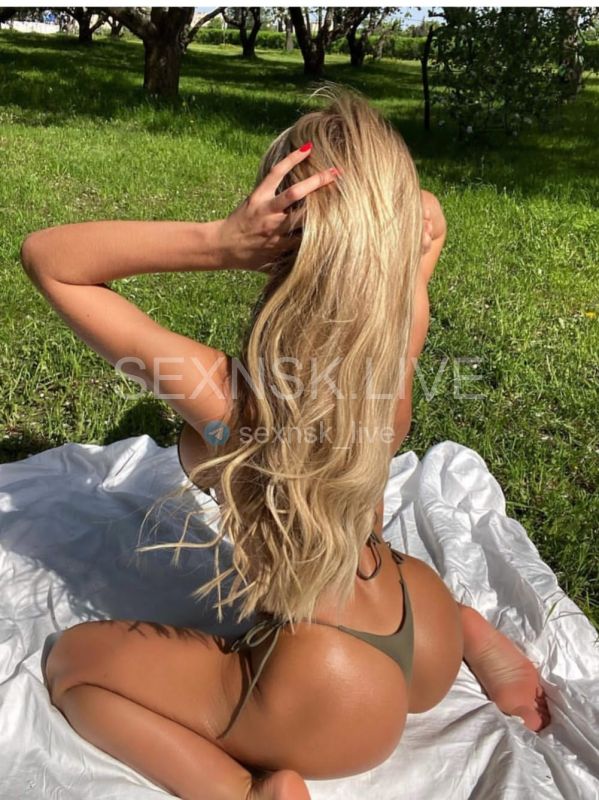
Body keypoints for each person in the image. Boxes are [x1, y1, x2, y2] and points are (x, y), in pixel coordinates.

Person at [22, 84, 549, 800]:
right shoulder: (391, 354)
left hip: (332, 685)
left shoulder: (231, 400)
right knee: (380, 565)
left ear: (276, 246)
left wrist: (218, 242)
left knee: (75, 666)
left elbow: (50, 259)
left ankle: (246, 793)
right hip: (417, 617)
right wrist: (389, 216)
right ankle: (475, 637)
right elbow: (427, 223)